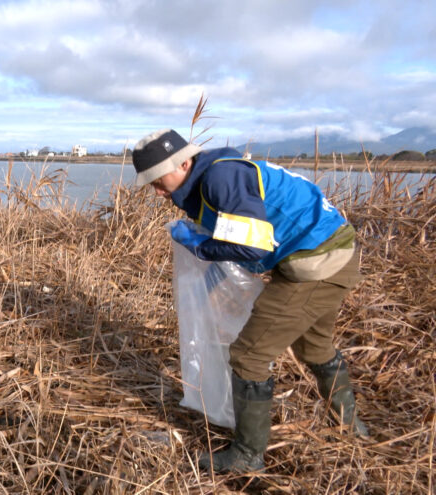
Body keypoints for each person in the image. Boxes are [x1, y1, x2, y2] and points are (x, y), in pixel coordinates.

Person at [131, 129, 369, 473]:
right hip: (329, 253)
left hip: (315, 262)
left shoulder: (220, 179)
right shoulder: (212, 176)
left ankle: (247, 455)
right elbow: (246, 233)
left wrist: (201, 247)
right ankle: (351, 429)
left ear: (184, 162)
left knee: (247, 356)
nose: (155, 190)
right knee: (315, 348)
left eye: (157, 179)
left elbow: (254, 247)